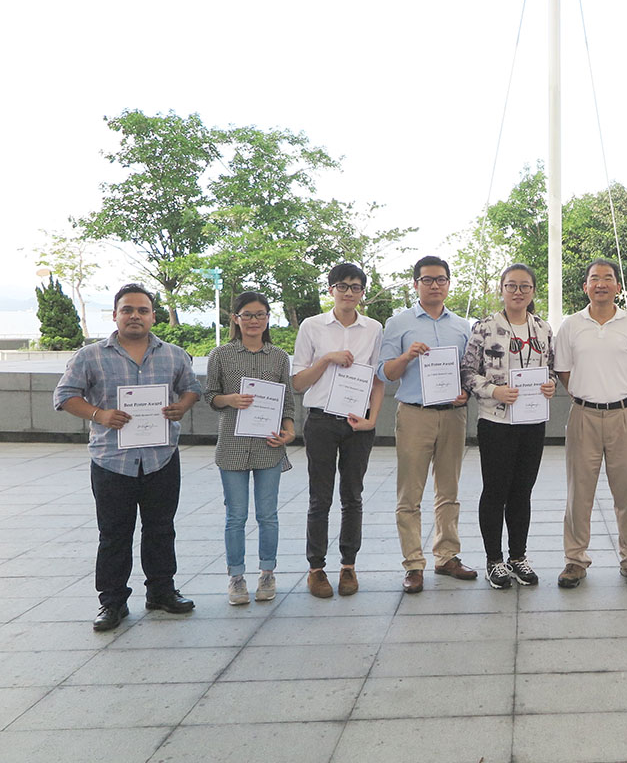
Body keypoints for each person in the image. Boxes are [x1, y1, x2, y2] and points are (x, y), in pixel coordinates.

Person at [53, 284, 202, 631]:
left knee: (161, 529)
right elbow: (64, 396)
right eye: (128, 309)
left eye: (142, 310)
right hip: (111, 461)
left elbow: (192, 387)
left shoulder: (174, 355)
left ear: (153, 315)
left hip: (160, 458)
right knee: (114, 534)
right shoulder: (89, 356)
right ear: (116, 314)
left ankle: (162, 591)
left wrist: (182, 405)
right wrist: (99, 415)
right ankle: (112, 602)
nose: (135, 315)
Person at [554, 259, 627, 588]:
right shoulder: (571, 325)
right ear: (585, 286)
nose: (601, 283)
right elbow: (564, 372)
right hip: (583, 415)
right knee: (579, 492)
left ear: (617, 286)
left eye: (607, 278)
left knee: (626, 490)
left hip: (623, 416)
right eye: (594, 278)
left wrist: (617, 396)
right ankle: (575, 559)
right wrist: (589, 395)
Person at [378, 255, 474, 594]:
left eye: (441, 279)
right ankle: (414, 564)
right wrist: (406, 357)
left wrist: (465, 391)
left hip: (452, 415)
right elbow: (385, 372)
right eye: (427, 279)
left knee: (449, 491)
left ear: (449, 283)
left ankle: (446, 556)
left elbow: (469, 373)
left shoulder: (463, 326)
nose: (435, 285)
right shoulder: (399, 323)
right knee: (410, 493)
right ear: (416, 283)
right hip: (415, 413)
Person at [292, 263, 384, 598]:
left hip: (357, 423)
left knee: (353, 496)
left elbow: (378, 378)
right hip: (320, 422)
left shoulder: (373, 328)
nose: (349, 293)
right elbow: (299, 382)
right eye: (342, 286)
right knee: (320, 498)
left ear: (363, 293)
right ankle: (316, 569)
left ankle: (348, 566)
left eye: (356, 287)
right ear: (330, 289)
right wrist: (327, 358)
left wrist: (373, 418)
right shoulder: (312, 326)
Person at [462, 263, 556, 589]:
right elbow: (468, 372)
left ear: (533, 291)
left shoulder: (543, 329)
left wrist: (550, 385)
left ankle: (518, 556)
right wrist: (494, 390)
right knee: (495, 491)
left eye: (524, 287)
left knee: (522, 491)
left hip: (532, 422)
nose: (518, 292)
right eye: (511, 286)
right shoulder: (485, 327)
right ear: (501, 289)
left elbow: (553, 370)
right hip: (496, 421)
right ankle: (494, 560)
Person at [205, 291, 296, 605]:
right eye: (248, 315)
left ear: (268, 318)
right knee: (236, 516)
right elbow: (210, 397)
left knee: (268, 515)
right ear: (236, 319)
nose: (254, 320)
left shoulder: (280, 357)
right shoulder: (221, 355)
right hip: (232, 445)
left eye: (260, 314)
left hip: (269, 446)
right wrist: (228, 400)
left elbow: (288, 402)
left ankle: (267, 572)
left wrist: (289, 430)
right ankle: (236, 577)